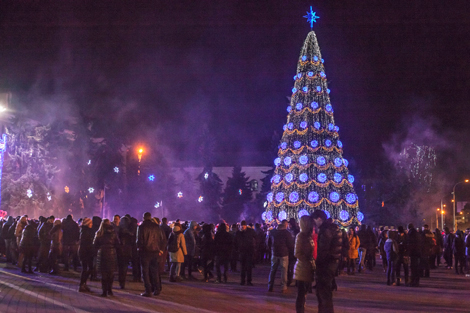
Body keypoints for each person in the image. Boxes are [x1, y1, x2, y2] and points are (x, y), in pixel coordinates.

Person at [311, 210, 342, 313]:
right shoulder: (334, 228)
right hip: (332, 263)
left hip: (326, 265)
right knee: (327, 293)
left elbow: (323, 250)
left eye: (314, 220)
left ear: (319, 219)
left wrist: (317, 265)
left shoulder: (325, 230)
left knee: (323, 293)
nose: (314, 223)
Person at [137, 212, 166, 297]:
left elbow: (139, 241)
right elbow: (163, 239)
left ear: (144, 218)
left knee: (145, 272)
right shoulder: (157, 227)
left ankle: (148, 290)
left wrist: (139, 249)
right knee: (155, 271)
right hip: (155, 252)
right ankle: (157, 289)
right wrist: (161, 250)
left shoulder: (141, 227)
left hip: (145, 252)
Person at [293, 215, 315, 313]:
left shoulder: (308, 235)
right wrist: (307, 259)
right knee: (301, 293)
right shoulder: (300, 236)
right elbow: (297, 253)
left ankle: (302, 309)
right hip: (302, 268)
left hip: (308, 267)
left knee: (304, 293)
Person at [94, 219, 119, 297]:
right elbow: (118, 244)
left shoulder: (99, 233)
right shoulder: (113, 233)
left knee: (103, 273)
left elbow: (95, 245)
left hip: (102, 254)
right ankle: (110, 290)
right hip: (111, 254)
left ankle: (104, 291)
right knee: (111, 273)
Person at [268, 219, 294, 293]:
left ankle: (270, 286)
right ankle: (283, 287)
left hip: (275, 253)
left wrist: (271, 249)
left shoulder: (272, 232)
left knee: (273, 270)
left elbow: (268, 242)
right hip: (284, 254)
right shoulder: (287, 233)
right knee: (284, 271)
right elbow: (290, 244)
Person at [235, 220, 256, 286]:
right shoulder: (238, 232)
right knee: (243, 267)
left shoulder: (250, 231)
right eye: (242, 226)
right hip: (242, 251)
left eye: (243, 226)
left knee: (249, 267)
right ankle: (243, 280)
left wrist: (254, 247)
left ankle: (248, 281)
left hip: (249, 251)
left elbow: (256, 238)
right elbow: (235, 241)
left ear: (245, 226)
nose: (242, 227)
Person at [78, 217, 94, 292]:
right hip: (85, 252)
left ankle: (83, 284)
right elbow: (86, 243)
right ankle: (82, 284)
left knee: (88, 268)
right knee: (86, 268)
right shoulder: (85, 231)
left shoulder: (84, 230)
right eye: (90, 223)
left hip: (85, 251)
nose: (92, 224)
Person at [117, 216, 134, 289]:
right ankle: (122, 282)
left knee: (120, 267)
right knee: (124, 267)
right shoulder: (130, 233)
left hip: (119, 250)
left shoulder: (118, 230)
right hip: (127, 251)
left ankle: (121, 281)